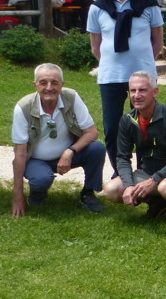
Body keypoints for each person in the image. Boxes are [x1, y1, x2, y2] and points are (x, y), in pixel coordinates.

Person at [87, 0, 164, 169]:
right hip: (111, 77)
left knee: (144, 126)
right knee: (112, 127)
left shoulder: (149, 4)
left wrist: (145, 65)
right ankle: (119, 171)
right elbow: (95, 46)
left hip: (142, 77)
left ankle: (144, 169)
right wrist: (112, 63)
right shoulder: (98, 8)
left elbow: (157, 40)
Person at [10, 63, 106, 217]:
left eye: (55, 82)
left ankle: (88, 194)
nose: (49, 87)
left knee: (97, 149)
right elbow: (20, 153)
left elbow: (92, 132)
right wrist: (17, 196)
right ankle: (37, 193)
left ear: (62, 85)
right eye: (43, 82)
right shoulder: (23, 107)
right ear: (35, 85)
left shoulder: (72, 97)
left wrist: (69, 151)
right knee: (41, 179)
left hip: (67, 156)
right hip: (36, 160)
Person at [103, 71, 166, 226]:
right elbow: (122, 156)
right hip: (147, 172)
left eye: (142, 90)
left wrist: (154, 180)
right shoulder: (127, 119)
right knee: (111, 190)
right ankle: (158, 203)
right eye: (133, 90)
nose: (136, 95)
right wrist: (128, 186)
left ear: (155, 92)